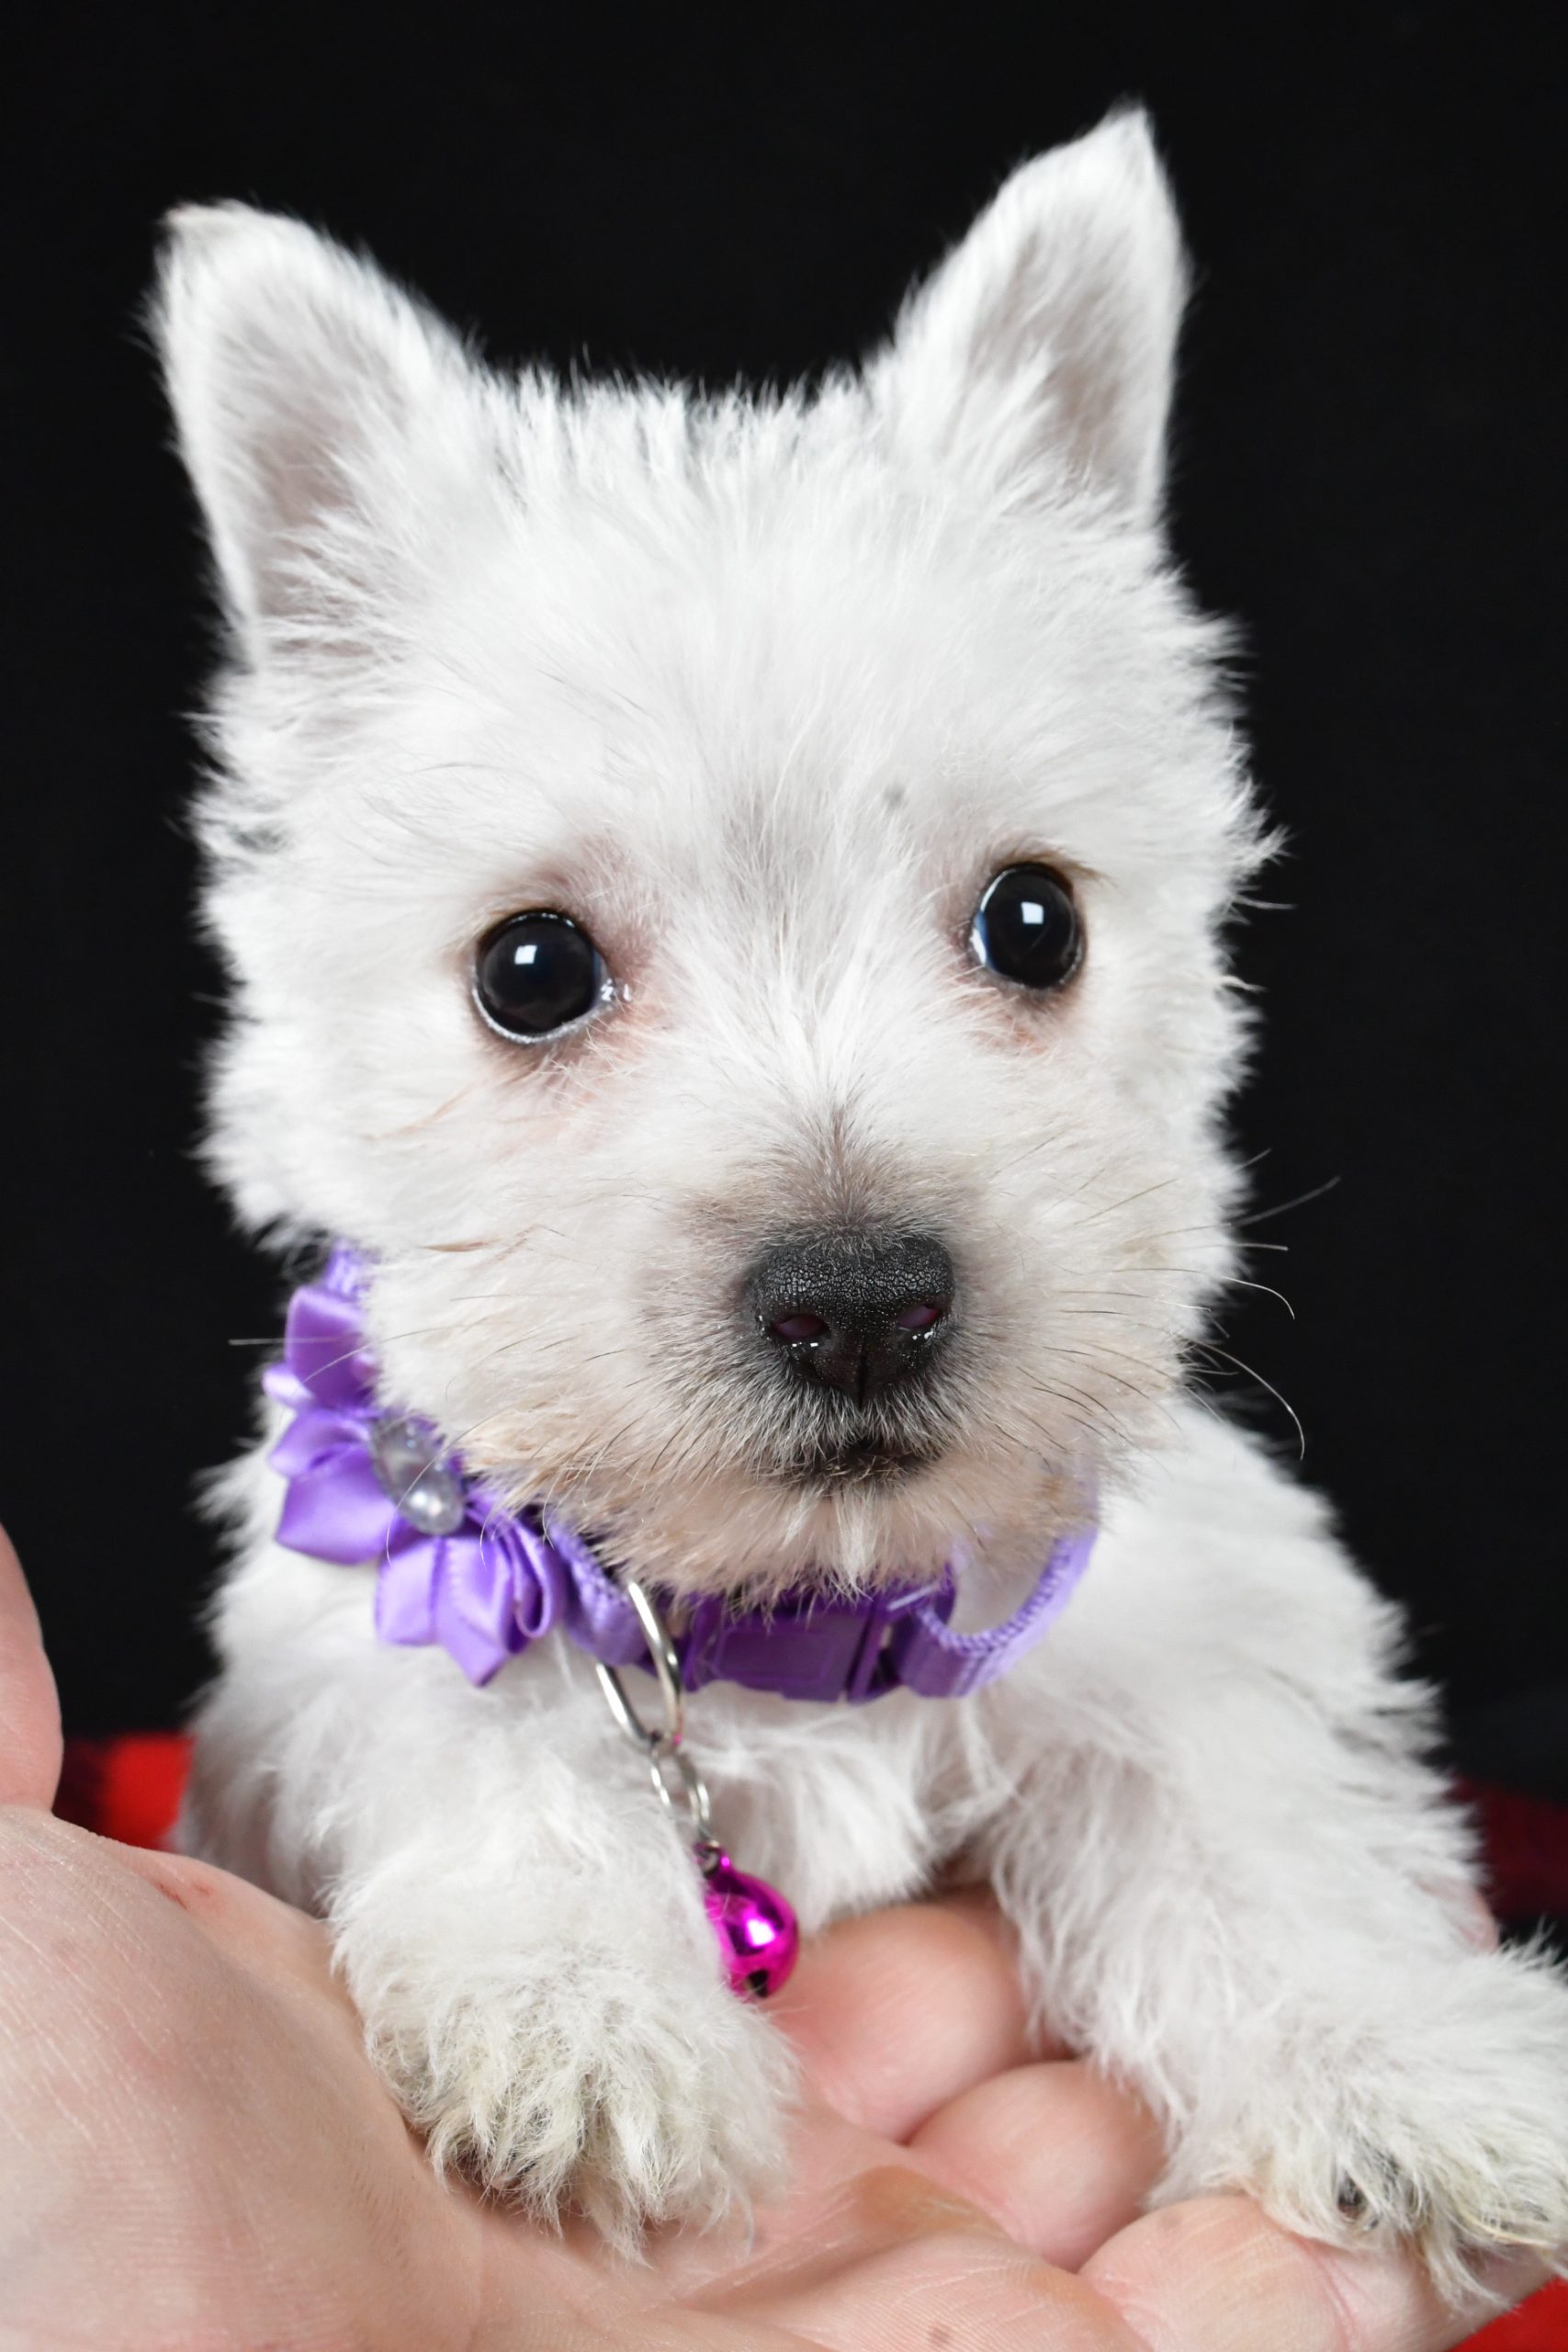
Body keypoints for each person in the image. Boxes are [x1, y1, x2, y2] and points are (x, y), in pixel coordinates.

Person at [0, 1524, 1529, 2348]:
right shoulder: (385, 1536)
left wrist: (1318, 2006)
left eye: (1024, 929)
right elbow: (376, 1701)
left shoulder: (1141, 1584)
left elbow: (1188, 1717)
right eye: (542, 980)